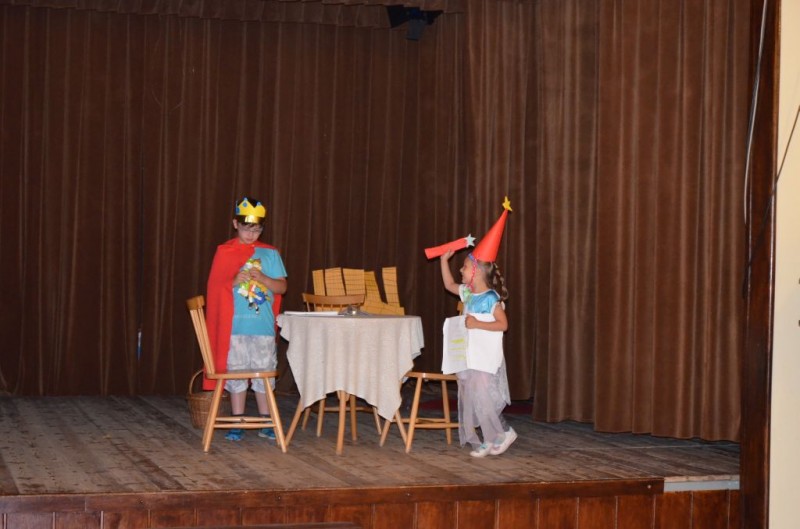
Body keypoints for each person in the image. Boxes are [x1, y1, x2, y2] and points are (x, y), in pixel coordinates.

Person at [204, 196, 288, 442]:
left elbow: (282, 287)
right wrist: (232, 282)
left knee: (264, 373)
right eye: (246, 228)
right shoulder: (225, 252)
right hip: (235, 327)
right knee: (237, 372)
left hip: (261, 326)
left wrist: (263, 279)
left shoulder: (270, 254)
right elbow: (215, 287)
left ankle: (266, 421)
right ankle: (237, 420)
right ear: (235, 224)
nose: (251, 234)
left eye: (257, 229)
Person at [437, 197, 516, 457]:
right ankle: (489, 437)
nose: (461, 270)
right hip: (470, 357)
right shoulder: (469, 294)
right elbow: (449, 285)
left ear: (477, 272)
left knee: (484, 398)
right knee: (473, 398)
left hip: (484, 358)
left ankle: (503, 433)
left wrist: (477, 323)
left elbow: (503, 325)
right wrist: (443, 261)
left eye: (465, 266)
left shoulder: (491, 298)